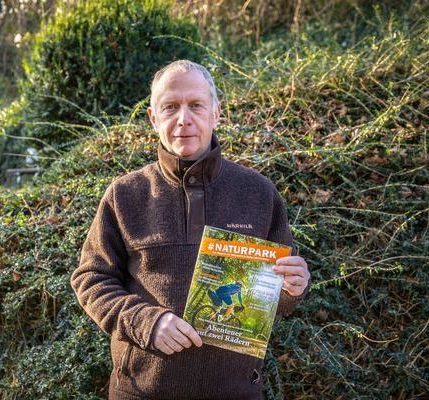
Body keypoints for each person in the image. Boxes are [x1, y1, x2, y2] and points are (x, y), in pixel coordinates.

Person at [70, 60, 311, 400]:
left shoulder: (258, 193)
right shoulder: (125, 195)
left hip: (236, 393)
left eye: (196, 105)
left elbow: (281, 296)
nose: (184, 119)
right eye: (171, 107)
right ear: (154, 118)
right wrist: (143, 322)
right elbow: (90, 278)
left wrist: (293, 286)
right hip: (140, 392)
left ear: (216, 113)